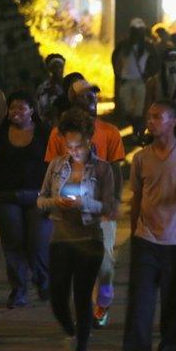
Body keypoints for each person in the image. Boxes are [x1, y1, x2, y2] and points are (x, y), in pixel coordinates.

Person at [121, 101, 176, 351]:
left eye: (158, 116)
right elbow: (137, 198)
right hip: (146, 238)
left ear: (174, 121)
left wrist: (171, 207)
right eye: (149, 117)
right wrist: (134, 231)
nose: (151, 121)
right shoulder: (141, 157)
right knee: (140, 300)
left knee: (174, 301)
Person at [37, 108, 116, 351]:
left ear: (89, 139)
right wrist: (55, 203)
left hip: (89, 238)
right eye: (68, 145)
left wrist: (86, 203)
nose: (74, 150)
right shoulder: (56, 166)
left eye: (79, 145)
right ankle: (72, 333)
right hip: (60, 238)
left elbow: (109, 206)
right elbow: (40, 199)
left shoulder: (103, 169)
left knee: (82, 298)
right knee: (57, 297)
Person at [45, 79, 126, 328]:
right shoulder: (58, 134)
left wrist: (114, 200)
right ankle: (85, 314)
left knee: (105, 263)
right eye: (86, 96)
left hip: (100, 206)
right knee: (81, 262)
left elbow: (115, 169)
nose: (92, 100)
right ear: (74, 101)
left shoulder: (109, 132)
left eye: (94, 96)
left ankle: (105, 292)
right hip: (70, 211)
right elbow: (53, 168)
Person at [0, 91, 51, 308]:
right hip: (6, 197)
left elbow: (57, 164)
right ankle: (18, 290)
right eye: (12, 108)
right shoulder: (0, 136)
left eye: (21, 109)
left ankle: (42, 278)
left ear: (31, 111)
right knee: (13, 245)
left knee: (38, 243)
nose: (16, 113)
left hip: (37, 197)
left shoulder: (44, 134)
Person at [113, 18, 155, 141]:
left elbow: (155, 61)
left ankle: (136, 132)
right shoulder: (124, 45)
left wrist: (149, 75)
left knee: (139, 110)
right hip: (126, 81)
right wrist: (118, 75)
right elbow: (115, 58)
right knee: (127, 109)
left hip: (140, 81)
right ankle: (135, 131)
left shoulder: (147, 46)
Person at [36, 54, 66, 125]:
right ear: (50, 69)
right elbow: (41, 108)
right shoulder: (43, 87)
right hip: (48, 125)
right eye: (55, 66)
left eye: (60, 66)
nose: (58, 69)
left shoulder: (69, 84)